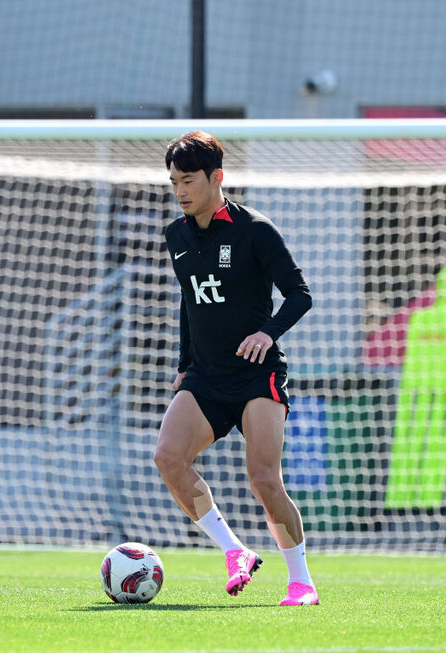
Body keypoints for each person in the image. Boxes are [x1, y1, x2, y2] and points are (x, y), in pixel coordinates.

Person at [154, 131, 318, 606]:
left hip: (256, 375)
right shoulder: (176, 235)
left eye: (188, 180)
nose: (180, 190)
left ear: (216, 178)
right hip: (205, 375)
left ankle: (301, 582)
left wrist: (268, 332)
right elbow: (190, 301)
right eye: (173, 182)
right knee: (167, 457)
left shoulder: (255, 230)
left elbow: (300, 294)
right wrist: (185, 365)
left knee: (264, 478)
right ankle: (235, 552)